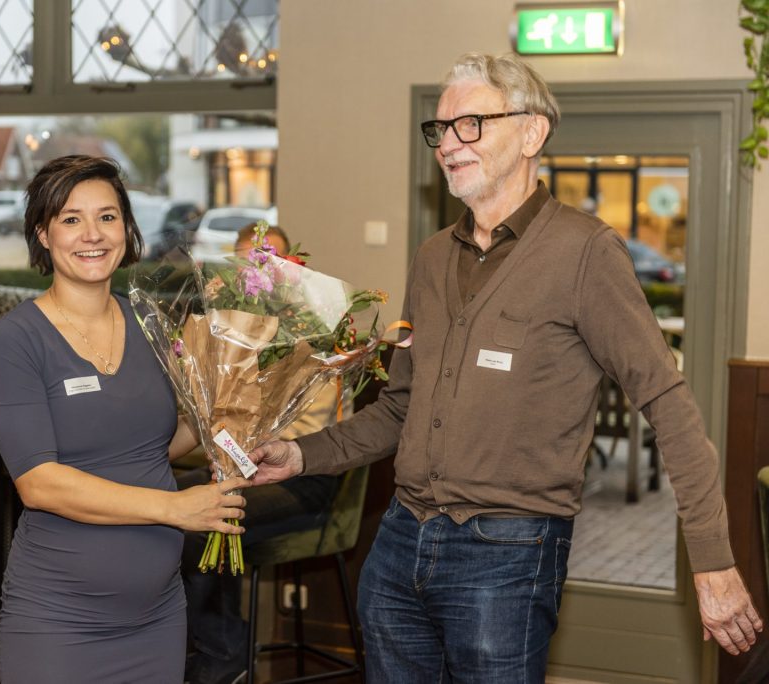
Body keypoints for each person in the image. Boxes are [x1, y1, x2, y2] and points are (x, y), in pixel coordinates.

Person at [250, 53, 763, 682]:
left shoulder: (585, 252)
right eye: (440, 129)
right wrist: (301, 455)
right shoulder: (432, 258)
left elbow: (668, 404)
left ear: (531, 133)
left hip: (508, 555)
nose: (448, 144)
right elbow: (399, 409)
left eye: (470, 123)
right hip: (398, 545)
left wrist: (712, 560)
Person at [0, 154, 249, 683]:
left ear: (126, 227)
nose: (93, 234)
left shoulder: (148, 319)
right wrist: (176, 508)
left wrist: (224, 413)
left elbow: (149, 447)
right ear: (43, 234)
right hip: (59, 622)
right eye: (71, 219)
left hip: (158, 617)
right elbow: (39, 484)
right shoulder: (14, 341)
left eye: (107, 216)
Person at [179, 223, 342, 684]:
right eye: (244, 263)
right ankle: (171, 649)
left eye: (268, 262)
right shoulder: (223, 330)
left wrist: (244, 436)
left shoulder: (313, 334)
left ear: (292, 269)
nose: (255, 273)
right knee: (164, 500)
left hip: (301, 479)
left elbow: (310, 433)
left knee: (203, 523)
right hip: (235, 471)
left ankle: (223, 656)